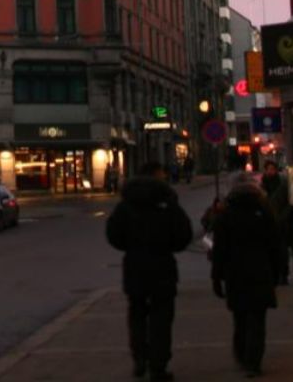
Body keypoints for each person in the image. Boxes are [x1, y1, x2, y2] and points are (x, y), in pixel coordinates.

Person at [106, 161, 195, 380]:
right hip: (162, 266)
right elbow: (184, 234)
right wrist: (168, 246)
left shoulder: (126, 204)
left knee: (136, 314)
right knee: (161, 318)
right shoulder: (167, 201)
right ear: (158, 175)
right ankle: (158, 365)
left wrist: (131, 247)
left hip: (134, 266)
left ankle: (139, 359)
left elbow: (113, 234)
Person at [211, 182, 282, 378]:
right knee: (257, 318)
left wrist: (216, 277)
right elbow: (275, 245)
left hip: (235, 273)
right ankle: (254, 361)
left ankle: (242, 354)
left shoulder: (226, 216)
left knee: (240, 317)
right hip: (260, 271)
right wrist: (277, 272)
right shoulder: (264, 213)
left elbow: (219, 250)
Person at [258, 160, 291, 284]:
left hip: (281, 222)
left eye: (272, 169)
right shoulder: (261, 186)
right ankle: (274, 274)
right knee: (270, 250)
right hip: (267, 223)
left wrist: (283, 216)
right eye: (268, 169)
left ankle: (284, 274)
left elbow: (289, 203)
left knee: (282, 250)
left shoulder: (282, 185)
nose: (270, 171)